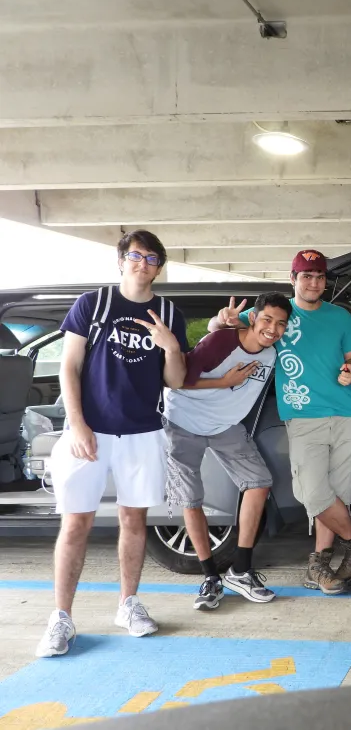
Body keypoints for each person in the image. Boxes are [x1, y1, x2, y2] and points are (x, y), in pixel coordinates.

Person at [37, 230, 189, 657]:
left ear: (160, 266)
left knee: (134, 521)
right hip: (90, 432)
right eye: (136, 256)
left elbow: (175, 380)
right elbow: (69, 366)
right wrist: (78, 423)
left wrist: (171, 346)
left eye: (153, 258)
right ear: (121, 261)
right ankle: (61, 618)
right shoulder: (94, 304)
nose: (144, 264)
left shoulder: (168, 312)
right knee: (75, 524)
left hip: (143, 432)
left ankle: (128, 604)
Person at [208, 250, 351, 597]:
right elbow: (225, 329)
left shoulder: (340, 317)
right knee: (311, 492)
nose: (314, 283)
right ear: (293, 278)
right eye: (306, 276)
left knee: (337, 491)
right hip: (303, 415)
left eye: (320, 276)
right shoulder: (277, 313)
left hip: (344, 413)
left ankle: (320, 564)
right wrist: (219, 321)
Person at [163, 292, 292, 610]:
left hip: (225, 428)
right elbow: (176, 381)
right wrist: (222, 381)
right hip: (183, 422)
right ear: (254, 318)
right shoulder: (220, 342)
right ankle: (210, 578)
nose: (272, 329)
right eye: (266, 320)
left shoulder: (271, 355)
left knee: (259, 483)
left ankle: (241, 569)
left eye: (280, 324)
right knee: (191, 499)